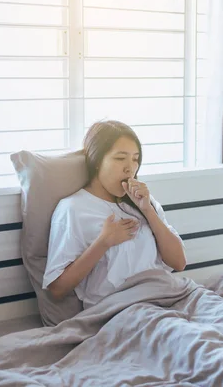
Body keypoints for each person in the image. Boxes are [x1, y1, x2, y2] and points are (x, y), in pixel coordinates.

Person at [42, 120, 187, 308]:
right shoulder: (72, 209)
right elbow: (57, 290)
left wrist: (148, 211)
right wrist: (104, 242)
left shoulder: (144, 203)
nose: (130, 168)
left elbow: (179, 262)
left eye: (135, 159)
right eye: (120, 158)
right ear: (96, 161)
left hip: (168, 296)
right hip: (121, 310)